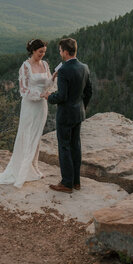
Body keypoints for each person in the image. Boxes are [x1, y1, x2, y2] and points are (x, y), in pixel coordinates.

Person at [0, 39, 55, 190]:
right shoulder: (25, 66)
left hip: (42, 106)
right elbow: (24, 90)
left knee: (37, 136)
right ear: (33, 51)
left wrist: (54, 78)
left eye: (44, 52)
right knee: (25, 135)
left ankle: (35, 167)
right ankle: (21, 170)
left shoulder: (45, 65)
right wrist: (39, 95)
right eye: (40, 52)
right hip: (30, 105)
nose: (42, 54)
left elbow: (48, 84)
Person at [42, 38, 92, 193]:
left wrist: (49, 96)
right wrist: (81, 108)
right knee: (75, 146)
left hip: (65, 115)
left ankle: (66, 183)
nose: (60, 53)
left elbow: (62, 96)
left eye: (60, 50)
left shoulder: (63, 70)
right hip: (78, 113)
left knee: (64, 147)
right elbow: (88, 92)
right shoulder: (84, 67)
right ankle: (76, 182)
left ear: (64, 51)